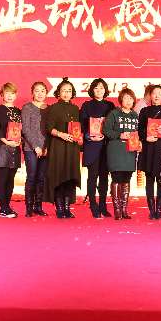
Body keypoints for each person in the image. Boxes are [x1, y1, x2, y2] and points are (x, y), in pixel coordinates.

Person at [44, 78, 82, 218]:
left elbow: (78, 128)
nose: (66, 93)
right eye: (64, 90)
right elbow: (49, 128)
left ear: (72, 93)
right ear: (58, 92)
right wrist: (61, 134)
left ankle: (67, 208)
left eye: (69, 91)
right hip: (58, 146)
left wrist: (79, 137)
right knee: (59, 176)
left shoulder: (75, 109)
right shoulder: (54, 108)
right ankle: (59, 208)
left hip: (72, 147)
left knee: (70, 177)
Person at [79, 78, 116, 218]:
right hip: (92, 145)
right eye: (96, 88)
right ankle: (93, 205)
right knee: (92, 176)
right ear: (92, 90)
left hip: (106, 146)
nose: (99, 90)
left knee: (104, 177)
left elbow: (114, 125)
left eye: (101, 88)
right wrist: (88, 136)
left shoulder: (110, 105)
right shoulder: (86, 105)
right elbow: (82, 125)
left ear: (105, 90)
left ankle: (103, 205)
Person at [138, 84, 161, 220]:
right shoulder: (144, 111)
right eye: (154, 93)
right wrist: (145, 137)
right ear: (150, 96)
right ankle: (151, 210)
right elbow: (139, 129)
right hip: (148, 148)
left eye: (159, 93)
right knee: (149, 180)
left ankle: (159, 210)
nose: (157, 96)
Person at [103, 88, 139, 220]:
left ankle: (124, 209)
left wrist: (139, 143)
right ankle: (117, 210)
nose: (128, 101)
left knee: (127, 178)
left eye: (130, 98)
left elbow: (138, 133)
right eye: (125, 98)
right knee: (117, 178)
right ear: (121, 100)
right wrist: (120, 135)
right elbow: (106, 130)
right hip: (116, 151)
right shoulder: (114, 113)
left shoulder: (135, 115)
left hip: (130, 152)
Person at [0, 82, 22, 218]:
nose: (10, 96)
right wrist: (6, 141)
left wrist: (19, 140)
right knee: (2, 179)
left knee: (11, 179)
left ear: (16, 95)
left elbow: (21, 129)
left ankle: (7, 207)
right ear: (2, 95)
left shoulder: (18, 111)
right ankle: (3, 208)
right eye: (7, 93)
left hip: (15, 148)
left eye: (12, 93)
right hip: (3, 148)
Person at [22, 81, 49, 217]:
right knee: (31, 176)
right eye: (37, 90)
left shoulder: (49, 109)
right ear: (32, 92)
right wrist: (35, 146)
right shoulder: (27, 107)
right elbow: (25, 129)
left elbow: (50, 129)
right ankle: (29, 207)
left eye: (43, 91)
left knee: (41, 178)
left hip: (45, 149)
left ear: (46, 93)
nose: (40, 93)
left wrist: (47, 147)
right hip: (30, 148)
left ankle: (38, 206)